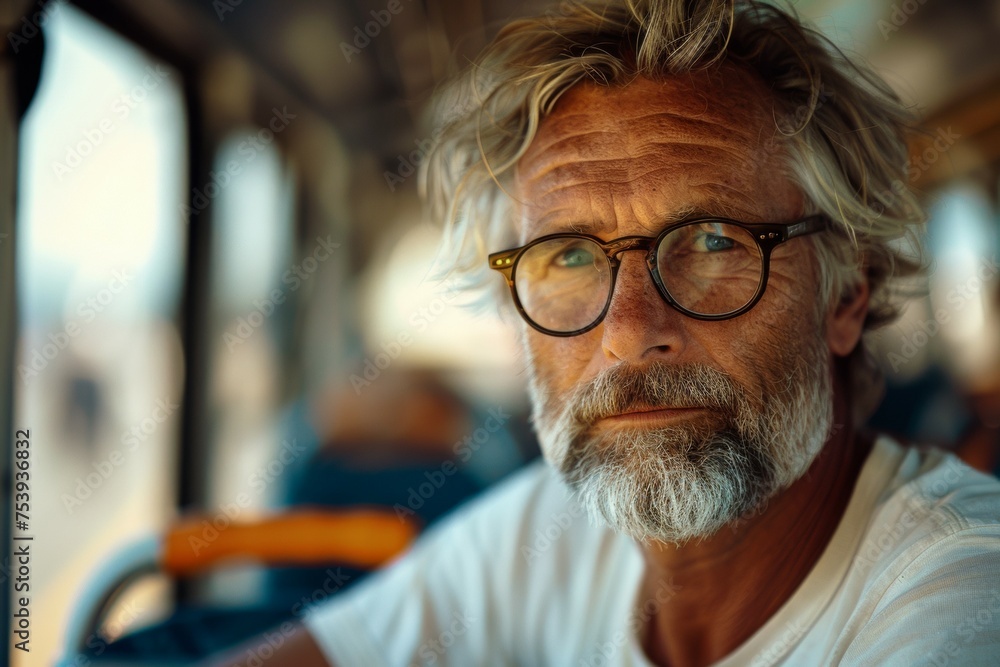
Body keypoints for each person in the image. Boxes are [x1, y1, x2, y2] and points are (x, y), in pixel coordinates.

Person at [208, 1, 1000, 665]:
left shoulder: (959, 594)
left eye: (714, 241)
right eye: (571, 255)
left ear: (847, 294)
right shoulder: (549, 533)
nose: (628, 332)